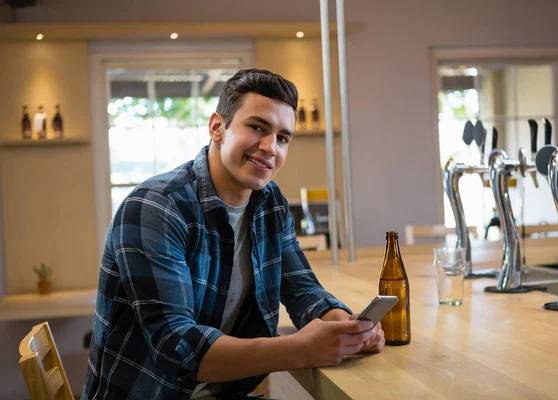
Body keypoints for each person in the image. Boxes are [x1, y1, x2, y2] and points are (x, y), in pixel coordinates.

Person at [82, 69, 384, 400]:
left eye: (283, 138)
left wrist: (344, 325)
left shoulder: (270, 203)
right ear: (217, 128)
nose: (270, 147)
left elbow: (301, 290)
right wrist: (300, 349)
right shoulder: (157, 207)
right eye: (257, 127)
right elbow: (177, 348)